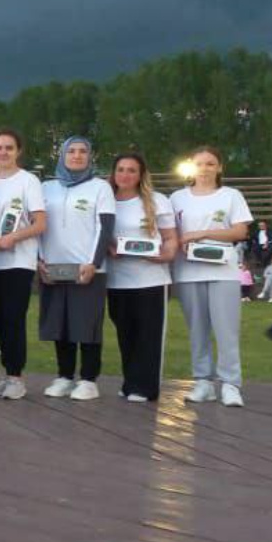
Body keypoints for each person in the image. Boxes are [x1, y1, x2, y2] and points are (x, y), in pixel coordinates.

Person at [171, 145, 252, 407]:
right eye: (199, 164)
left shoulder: (231, 196)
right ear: (191, 167)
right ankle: (203, 382)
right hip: (187, 271)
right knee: (197, 329)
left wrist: (201, 234)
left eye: (210, 164)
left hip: (223, 271)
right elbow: (170, 234)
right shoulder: (177, 198)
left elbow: (240, 232)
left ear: (219, 167)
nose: (204, 169)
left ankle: (230, 383)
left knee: (226, 329)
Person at [37, 136, 115, 401]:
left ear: (90, 156)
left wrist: (93, 263)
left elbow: (105, 227)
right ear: (62, 156)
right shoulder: (46, 188)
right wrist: (40, 260)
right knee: (60, 325)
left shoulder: (100, 188)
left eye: (83, 151)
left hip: (87, 268)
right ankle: (64, 376)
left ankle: (89, 380)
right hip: (53, 267)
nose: (77, 156)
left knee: (87, 325)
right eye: (71, 151)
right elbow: (37, 225)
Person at [0, 128, 47, 400]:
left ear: (18, 151)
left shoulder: (28, 181)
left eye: (9, 147)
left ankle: (16, 379)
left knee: (13, 319)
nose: (3, 152)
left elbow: (40, 223)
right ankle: (8, 375)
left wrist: (12, 238)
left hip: (18, 262)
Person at [106, 153, 177, 402]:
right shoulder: (105, 200)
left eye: (131, 170)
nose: (125, 175)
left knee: (148, 334)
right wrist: (109, 248)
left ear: (141, 175)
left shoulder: (157, 200)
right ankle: (130, 383)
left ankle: (145, 387)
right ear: (113, 173)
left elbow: (170, 238)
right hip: (117, 280)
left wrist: (166, 255)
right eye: (121, 169)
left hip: (151, 280)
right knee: (125, 333)